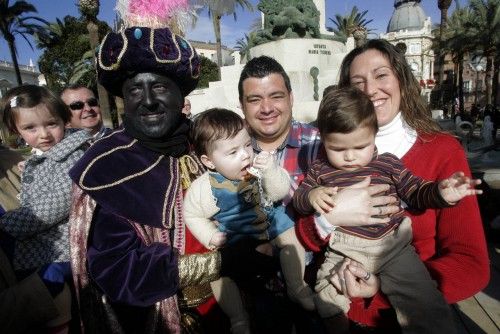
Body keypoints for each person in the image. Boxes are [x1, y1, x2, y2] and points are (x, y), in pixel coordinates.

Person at [67, 2, 275, 333]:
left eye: (160, 87)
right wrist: (222, 262)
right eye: (135, 89)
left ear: (181, 96)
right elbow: (118, 272)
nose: (148, 100)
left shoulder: (204, 144)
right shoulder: (106, 167)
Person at [296, 39, 490, 332]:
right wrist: (327, 218)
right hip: (347, 307)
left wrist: (383, 290)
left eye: (381, 75)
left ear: (401, 79)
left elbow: (471, 265)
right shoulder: (327, 154)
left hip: (410, 306)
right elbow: (304, 235)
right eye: (357, 81)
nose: (371, 89)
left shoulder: (442, 151)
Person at [238, 56, 400, 333]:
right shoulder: (232, 154)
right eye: (254, 100)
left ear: (291, 97)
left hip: (323, 288)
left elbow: (369, 209)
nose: (266, 108)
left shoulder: (327, 143)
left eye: (276, 96)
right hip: (258, 296)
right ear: (241, 105)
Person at [185, 108, 313, 332]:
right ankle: (238, 317)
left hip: (270, 222)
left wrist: (272, 170)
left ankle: (297, 286)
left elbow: (279, 192)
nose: (245, 155)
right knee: (219, 274)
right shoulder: (205, 187)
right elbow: (192, 214)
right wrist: (210, 235)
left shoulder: (258, 169)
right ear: (209, 161)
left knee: (291, 236)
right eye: (233, 152)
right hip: (235, 234)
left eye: (246, 145)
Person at [0, 85, 91, 332]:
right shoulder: (35, 157)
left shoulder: (72, 153)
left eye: (51, 124)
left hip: (62, 251)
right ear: (15, 130)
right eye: (30, 128)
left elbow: (58, 202)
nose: (44, 135)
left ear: (64, 120)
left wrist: (9, 223)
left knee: (61, 312)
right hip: (44, 263)